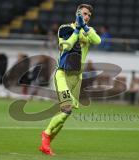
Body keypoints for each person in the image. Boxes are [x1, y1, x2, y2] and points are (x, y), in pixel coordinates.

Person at [39, 4, 101, 156]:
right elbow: (65, 47)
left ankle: (46, 144)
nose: (86, 17)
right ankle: (45, 136)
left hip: (76, 78)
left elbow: (97, 40)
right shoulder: (65, 28)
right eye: (84, 14)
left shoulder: (89, 31)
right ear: (77, 13)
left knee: (65, 115)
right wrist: (78, 29)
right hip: (63, 75)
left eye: (89, 15)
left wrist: (85, 28)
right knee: (67, 109)